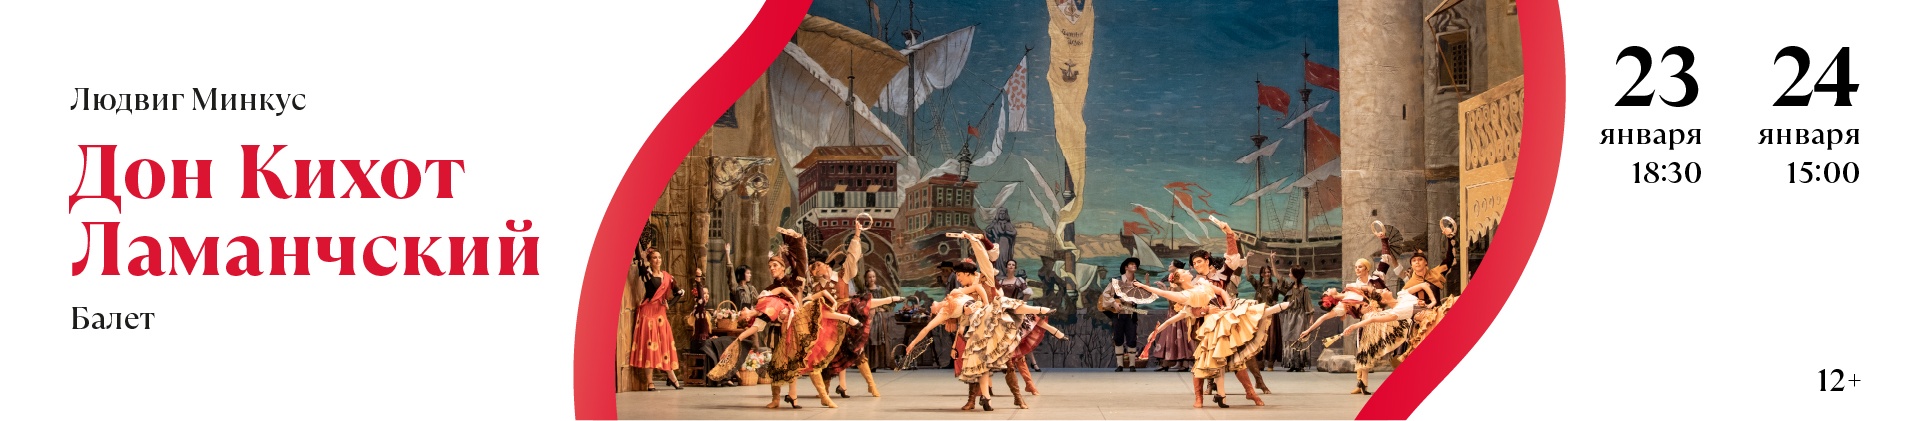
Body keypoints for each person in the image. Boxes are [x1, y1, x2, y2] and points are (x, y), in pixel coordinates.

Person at [628, 248, 683, 391]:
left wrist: (669, 304)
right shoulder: (647, 274)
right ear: (650, 261)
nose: (657, 260)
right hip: (648, 313)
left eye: (659, 257)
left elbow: (679, 293)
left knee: (664, 345)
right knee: (649, 347)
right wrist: (636, 244)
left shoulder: (667, 277)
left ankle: (671, 376)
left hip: (660, 314)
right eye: (654, 258)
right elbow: (640, 260)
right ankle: (650, 382)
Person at [1100, 257, 1149, 372]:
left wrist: (1146, 283)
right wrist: (1114, 303)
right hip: (1118, 313)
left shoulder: (1137, 283)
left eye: (1135, 264)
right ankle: (1120, 365)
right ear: (1126, 267)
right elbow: (1105, 294)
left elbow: (1145, 297)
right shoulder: (1116, 281)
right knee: (1118, 338)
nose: (1134, 266)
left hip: (1131, 313)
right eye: (1131, 264)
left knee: (1132, 338)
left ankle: (1132, 365)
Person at [1146, 260, 1194, 372]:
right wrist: (1163, 288)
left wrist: (1164, 288)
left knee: (1179, 337)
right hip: (1173, 311)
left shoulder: (1181, 282)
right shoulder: (1175, 282)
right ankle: (1172, 362)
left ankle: (1183, 362)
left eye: (1170, 264)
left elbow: (1174, 299)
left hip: (1179, 312)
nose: (1169, 266)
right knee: (1171, 336)